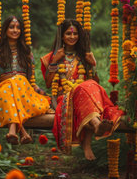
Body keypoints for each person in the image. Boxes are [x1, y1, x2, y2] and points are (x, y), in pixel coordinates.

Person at [41, 19, 124, 160]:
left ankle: (91, 135)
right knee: (84, 88)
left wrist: (93, 65)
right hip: (65, 98)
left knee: (88, 85)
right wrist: (55, 61)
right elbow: (48, 83)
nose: (72, 37)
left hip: (85, 98)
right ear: (62, 36)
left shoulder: (85, 56)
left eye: (75, 34)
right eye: (68, 34)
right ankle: (94, 130)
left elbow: (96, 85)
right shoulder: (51, 57)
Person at [0, 16, 50, 145]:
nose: (15, 30)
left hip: (23, 90)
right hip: (4, 91)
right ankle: (22, 132)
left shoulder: (27, 53)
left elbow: (31, 81)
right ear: (5, 30)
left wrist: (41, 92)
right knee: (9, 88)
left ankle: (13, 129)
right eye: (12, 27)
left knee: (17, 79)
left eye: (18, 28)